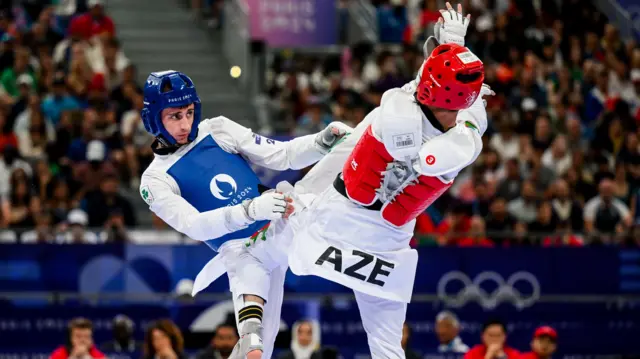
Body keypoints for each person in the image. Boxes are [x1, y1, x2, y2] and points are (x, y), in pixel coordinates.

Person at [268, 3, 492, 357]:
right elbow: (437, 86)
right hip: (390, 237)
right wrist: (453, 43)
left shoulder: (401, 117)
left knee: (268, 253)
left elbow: (420, 99)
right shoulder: (471, 123)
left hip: (343, 220)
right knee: (386, 346)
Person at [138, 70, 350, 359]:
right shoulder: (154, 181)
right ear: (154, 119)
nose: (186, 123)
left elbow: (282, 155)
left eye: (189, 112)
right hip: (241, 251)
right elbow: (196, 226)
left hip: (279, 225)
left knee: (341, 164)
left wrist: (321, 143)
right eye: (175, 116)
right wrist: (249, 211)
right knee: (260, 347)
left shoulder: (218, 129)